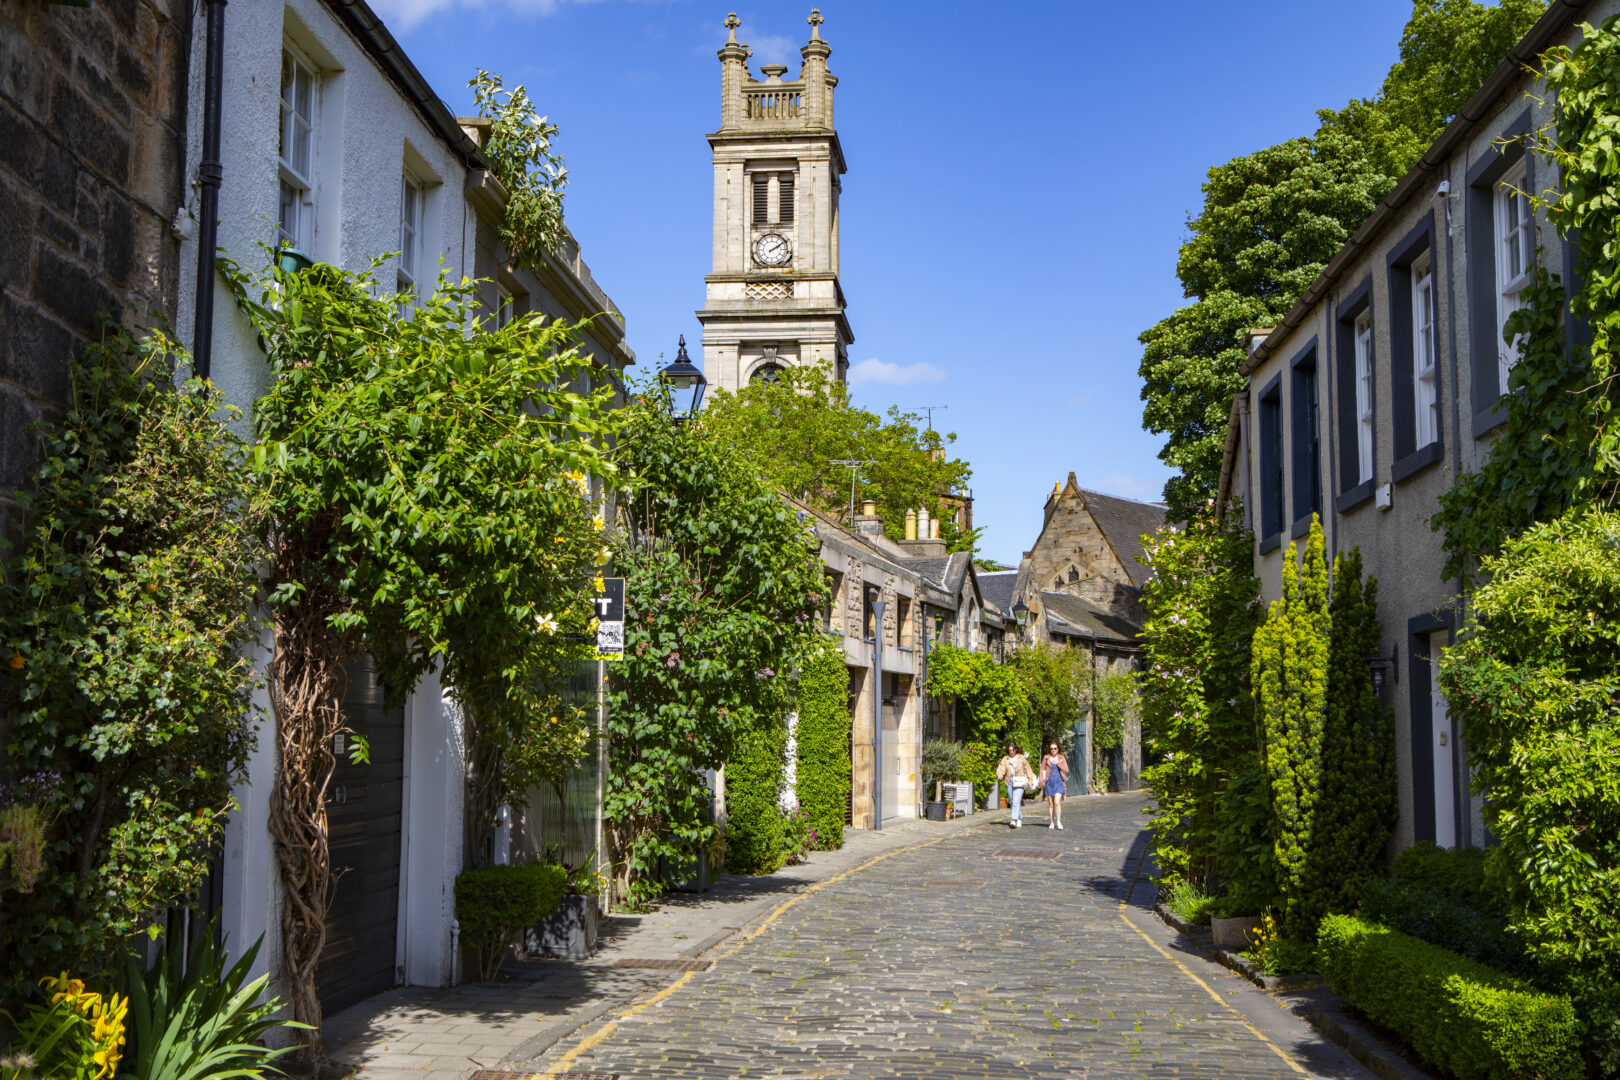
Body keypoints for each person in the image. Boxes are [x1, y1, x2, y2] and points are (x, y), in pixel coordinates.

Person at [995, 742, 1036, 828]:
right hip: (1009, 781)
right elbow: (1001, 768)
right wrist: (1000, 775)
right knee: (1013, 801)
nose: (1011, 752)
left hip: (1019, 781)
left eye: (1013, 750)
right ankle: (1019, 818)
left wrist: (1030, 781)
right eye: (1010, 750)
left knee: (1016, 801)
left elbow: (1028, 769)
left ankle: (1013, 820)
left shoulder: (1021, 758)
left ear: (1016, 750)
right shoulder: (1005, 759)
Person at [1038, 741, 1070, 830]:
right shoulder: (1046, 758)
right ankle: (1052, 822)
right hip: (1049, 783)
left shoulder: (1061, 758)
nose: (1053, 750)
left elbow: (1066, 770)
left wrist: (1058, 763)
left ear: (1058, 749)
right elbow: (1042, 770)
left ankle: (1058, 821)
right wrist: (1041, 781)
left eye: (1055, 748)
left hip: (1059, 783)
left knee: (1057, 802)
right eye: (1051, 749)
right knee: (1051, 804)